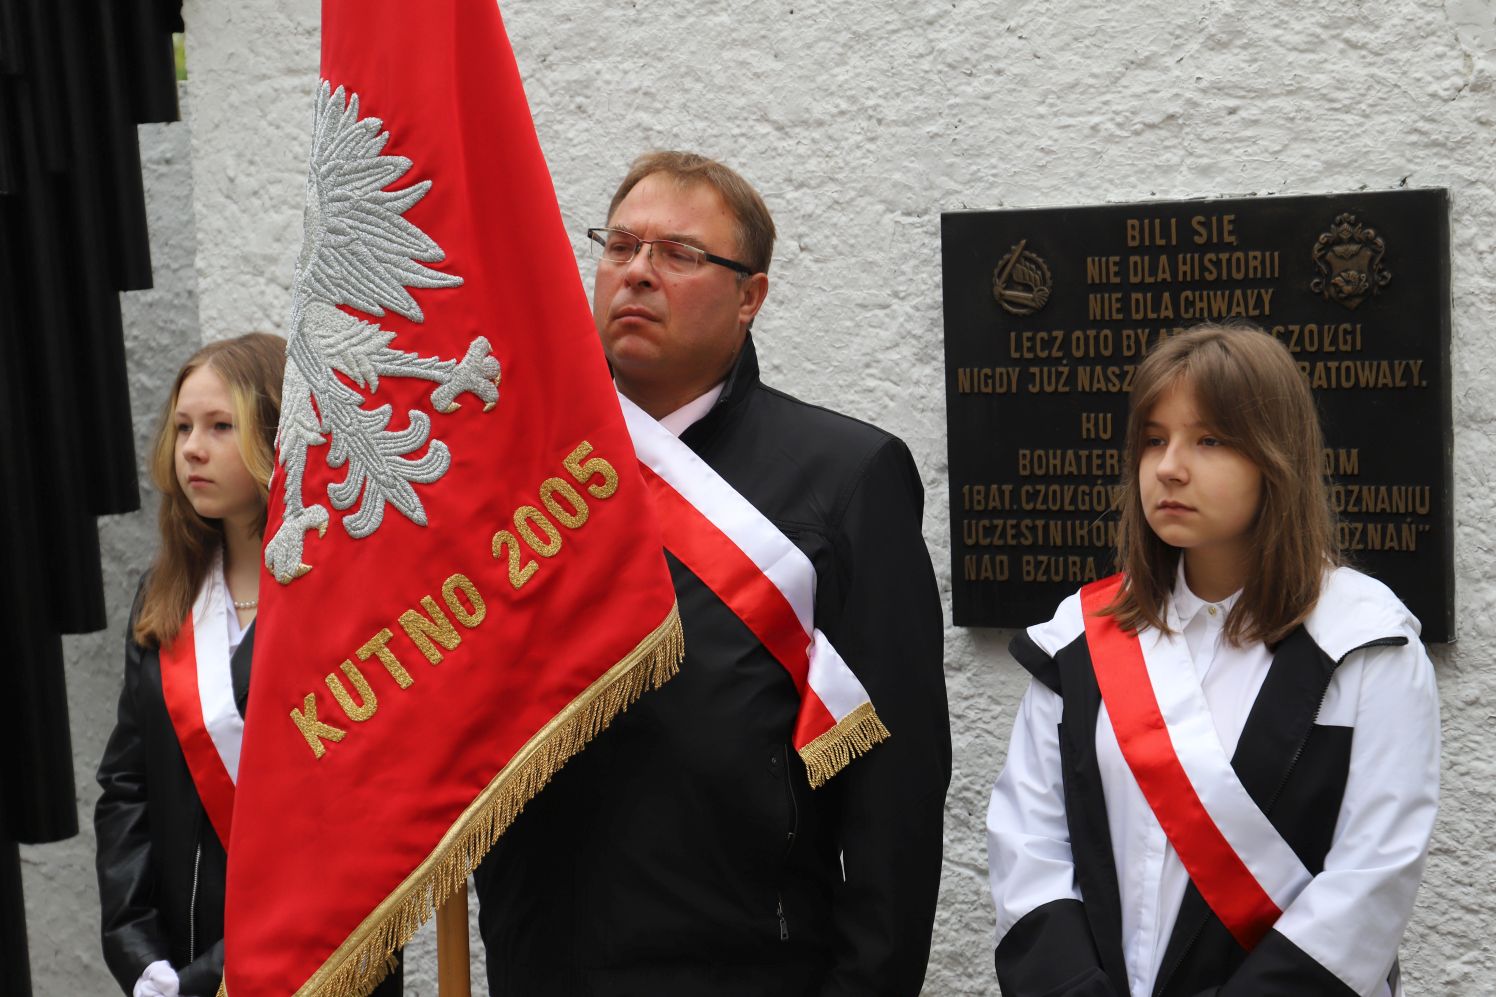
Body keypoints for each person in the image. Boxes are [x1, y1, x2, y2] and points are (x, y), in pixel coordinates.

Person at [474, 151, 951, 996]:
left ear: (750, 297)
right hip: (542, 961)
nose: (638, 274)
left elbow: (895, 796)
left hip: (748, 967)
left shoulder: (845, 476)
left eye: (680, 254)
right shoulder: (517, 475)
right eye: (620, 247)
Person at [985, 324, 1439, 996]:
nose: (1169, 466)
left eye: (1209, 440)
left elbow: (1370, 883)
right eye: (1154, 438)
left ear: (1275, 458)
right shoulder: (1078, 641)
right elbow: (1029, 849)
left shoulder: (1366, 646)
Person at [93, 334, 403, 997]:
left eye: (220, 426)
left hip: (325, 960)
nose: (191, 449)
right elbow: (126, 788)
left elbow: (361, 817)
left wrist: (214, 978)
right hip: (177, 962)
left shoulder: (342, 600)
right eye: (182, 427)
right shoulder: (165, 597)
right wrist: (138, 951)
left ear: (279, 434)